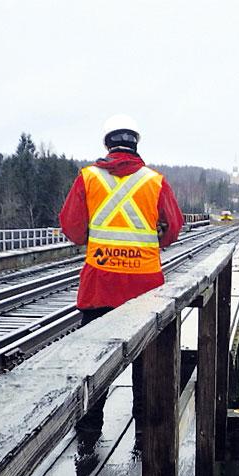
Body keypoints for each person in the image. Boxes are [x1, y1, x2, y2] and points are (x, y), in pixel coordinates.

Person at [59, 113, 183, 436]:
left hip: (99, 286)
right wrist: (152, 242)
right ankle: (144, 431)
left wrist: (96, 240)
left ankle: (89, 430)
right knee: (146, 363)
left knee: (95, 361)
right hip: (145, 289)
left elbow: (71, 227)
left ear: (107, 143)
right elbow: (174, 227)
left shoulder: (88, 178)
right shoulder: (153, 182)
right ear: (135, 144)